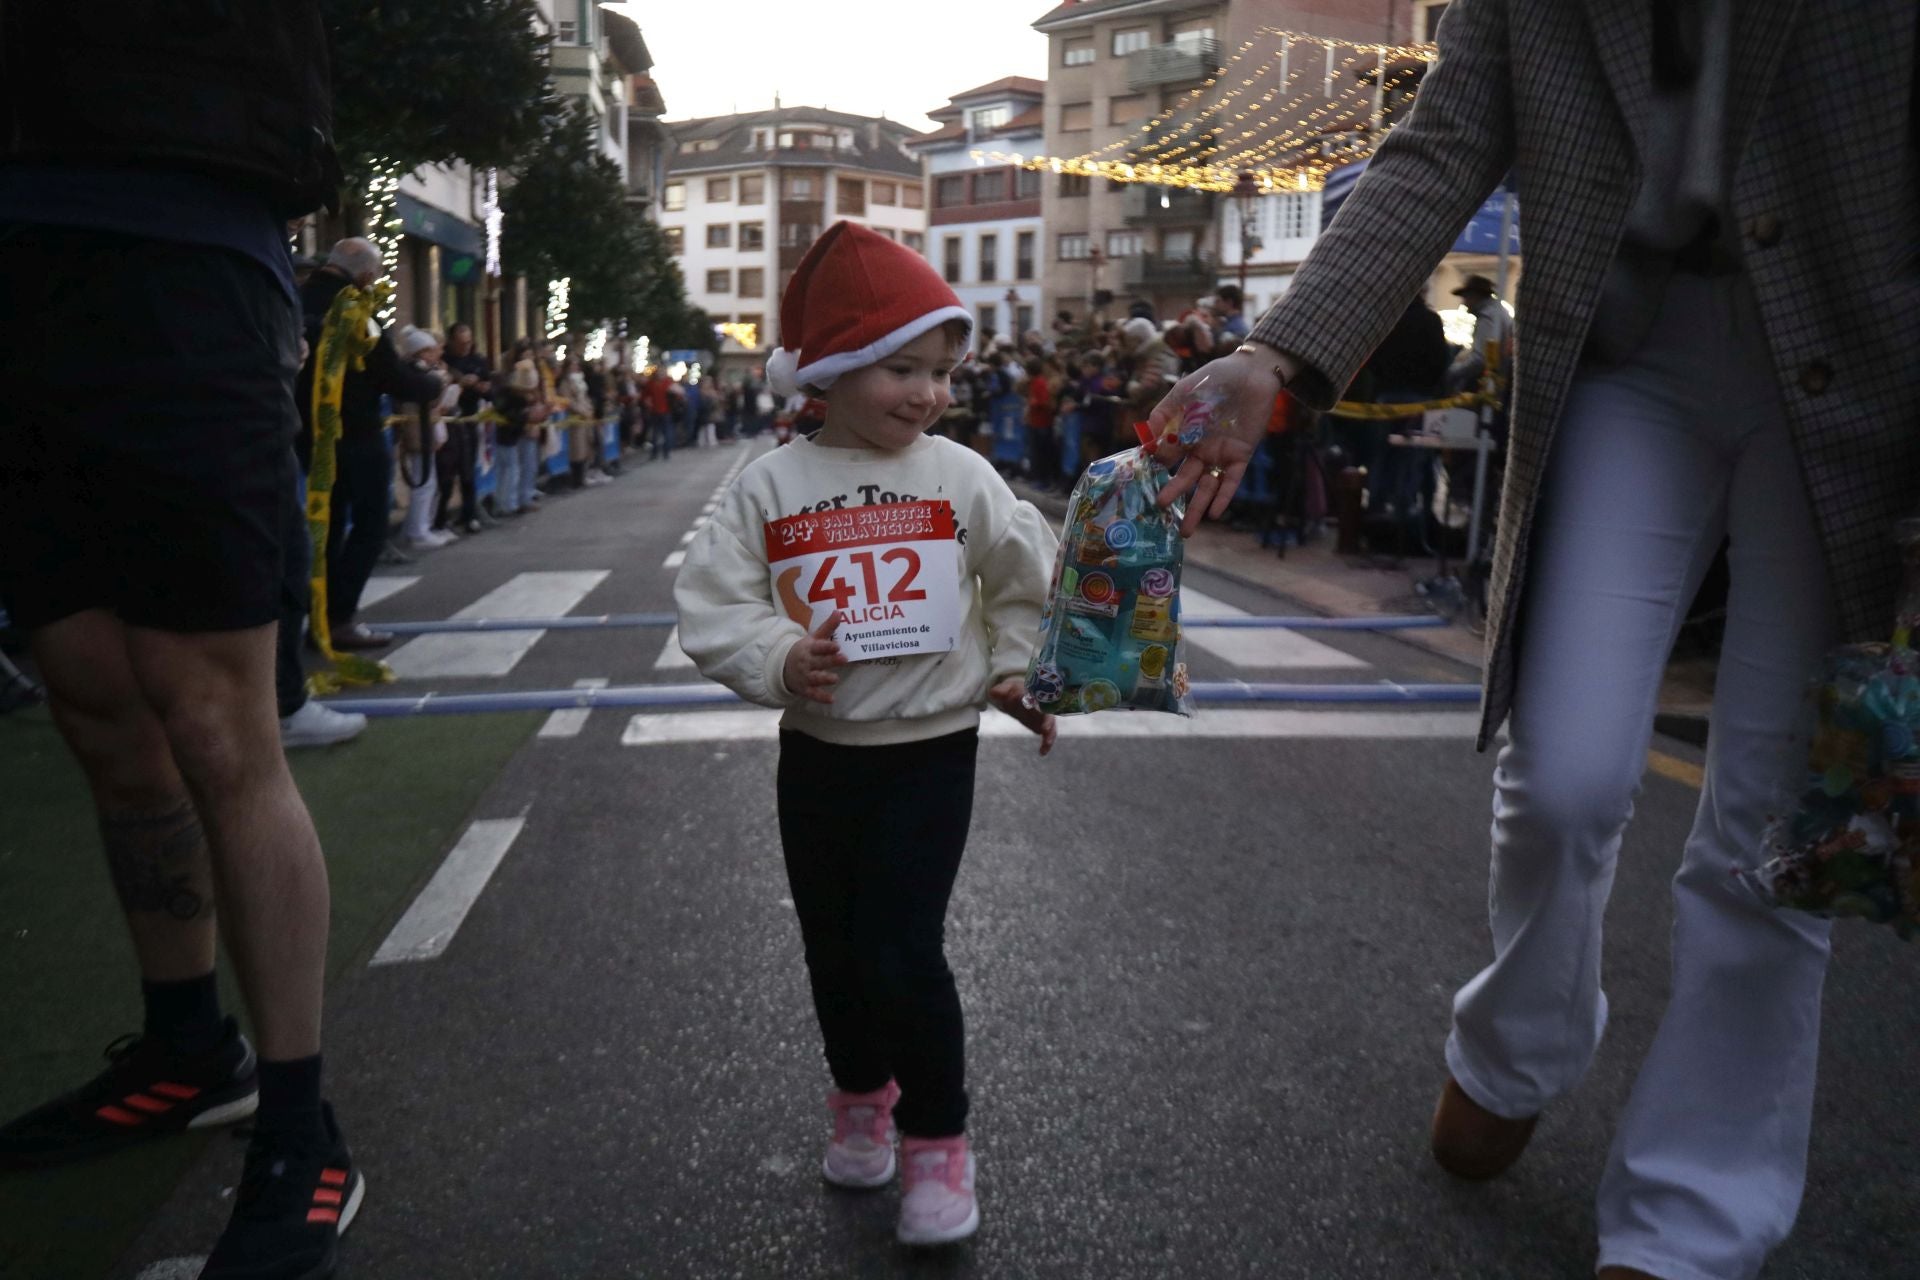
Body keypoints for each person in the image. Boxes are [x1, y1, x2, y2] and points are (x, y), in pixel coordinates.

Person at [1147, 3, 1916, 1278]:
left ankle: (1695, 1216)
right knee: (1561, 774)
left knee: (1776, 834)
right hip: (1626, 359)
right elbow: (1439, 148)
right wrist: (1274, 352)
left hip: (1871, 373)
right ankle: (1519, 1040)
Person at [0, 5, 368, 1277]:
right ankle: (183, 1044)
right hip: (23, 244)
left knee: (215, 715)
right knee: (93, 691)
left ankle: (302, 1119)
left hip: (188, 232)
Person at [674, 222, 1056, 1248]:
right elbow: (714, 599)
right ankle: (858, 1096)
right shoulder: (769, 483)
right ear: (831, 373)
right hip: (819, 752)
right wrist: (779, 656)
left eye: (941, 370)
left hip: (932, 752)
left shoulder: (961, 475)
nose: (929, 392)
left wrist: (1019, 670)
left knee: (900, 947)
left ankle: (939, 1138)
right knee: (833, 949)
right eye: (902, 368)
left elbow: (1028, 579)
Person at [296, 238, 444, 649]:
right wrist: (431, 384)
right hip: (355, 433)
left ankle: (315, 615)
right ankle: (338, 617)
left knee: (323, 529)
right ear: (364, 274)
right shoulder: (355, 308)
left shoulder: (296, 299)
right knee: (369, 524)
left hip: (304, 433)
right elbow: (388, 375)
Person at [438, 322, 494, 534]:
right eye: (461, 343)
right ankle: (440, 518)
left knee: (468, 470)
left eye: (468, 342)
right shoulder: (445, 360)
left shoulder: (478, 361)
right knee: (446, 472)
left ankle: (469, 514)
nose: (465, 347)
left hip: (470, 418)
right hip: (447, 421)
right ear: (451, 341)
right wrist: (460, 383)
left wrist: (482, 387)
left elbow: (489, 391)